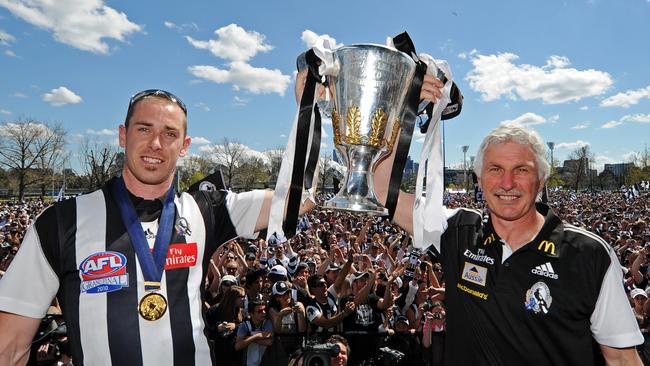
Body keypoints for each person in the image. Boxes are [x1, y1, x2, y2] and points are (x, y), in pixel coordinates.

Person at [0, 89, 312, 365]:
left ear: (185, 145)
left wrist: (308, 105)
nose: (156, 144)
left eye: (170, 134)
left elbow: (298, 199)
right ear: (123, 135)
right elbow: (10, 346)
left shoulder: (206, 210)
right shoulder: (61, 221)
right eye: (144, 129)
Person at [374, 123, 644, 365]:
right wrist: (411, 100)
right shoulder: (457, 232)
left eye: (521, 170)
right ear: (479, 180)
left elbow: (621, 358)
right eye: (495, 169)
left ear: (541, 180)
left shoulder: (588, 253)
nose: (507, 183)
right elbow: (381, 189)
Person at [234, 299, 273, 366]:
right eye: (260, 311)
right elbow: (238, 346)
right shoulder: (244, 325)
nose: (264, 313)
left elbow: (269, 341)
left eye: (265, 310)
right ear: (251, 314)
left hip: (263, 362)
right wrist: (258, 336)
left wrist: (250, 337)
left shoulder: (267, 322)